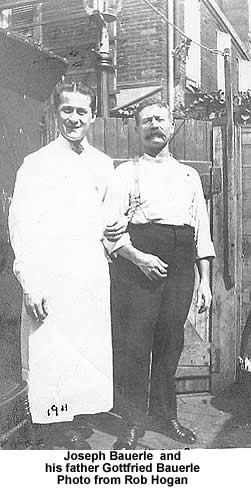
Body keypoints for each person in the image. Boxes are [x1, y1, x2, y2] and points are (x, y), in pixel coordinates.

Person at [8, 80, 125, 448]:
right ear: (56, 113)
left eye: (81, 111)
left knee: (83, 348)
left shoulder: (103, 165)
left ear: (93, 115)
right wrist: (30, 282)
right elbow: (21, 225)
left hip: (89, 271)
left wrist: (116, 226)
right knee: (49, 350)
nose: (74, 118)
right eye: (67, 110)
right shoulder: (37, 164)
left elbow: (112, 220)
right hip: (49, 271)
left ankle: (71, 419)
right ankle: (53, 428)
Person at [103, 100, 216, 449]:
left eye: (160, 119)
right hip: (138, 264)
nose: (154, 125)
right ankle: (133, 421)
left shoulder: (188, 175)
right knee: (134, 344)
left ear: (171, 126)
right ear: (137, 129)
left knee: (170, 344)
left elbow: (202, 231)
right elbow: (109, 229)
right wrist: (138, 258)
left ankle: (166, 416)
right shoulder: (125, 173)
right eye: (147, 120)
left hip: (181, 262)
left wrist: (206, 282)